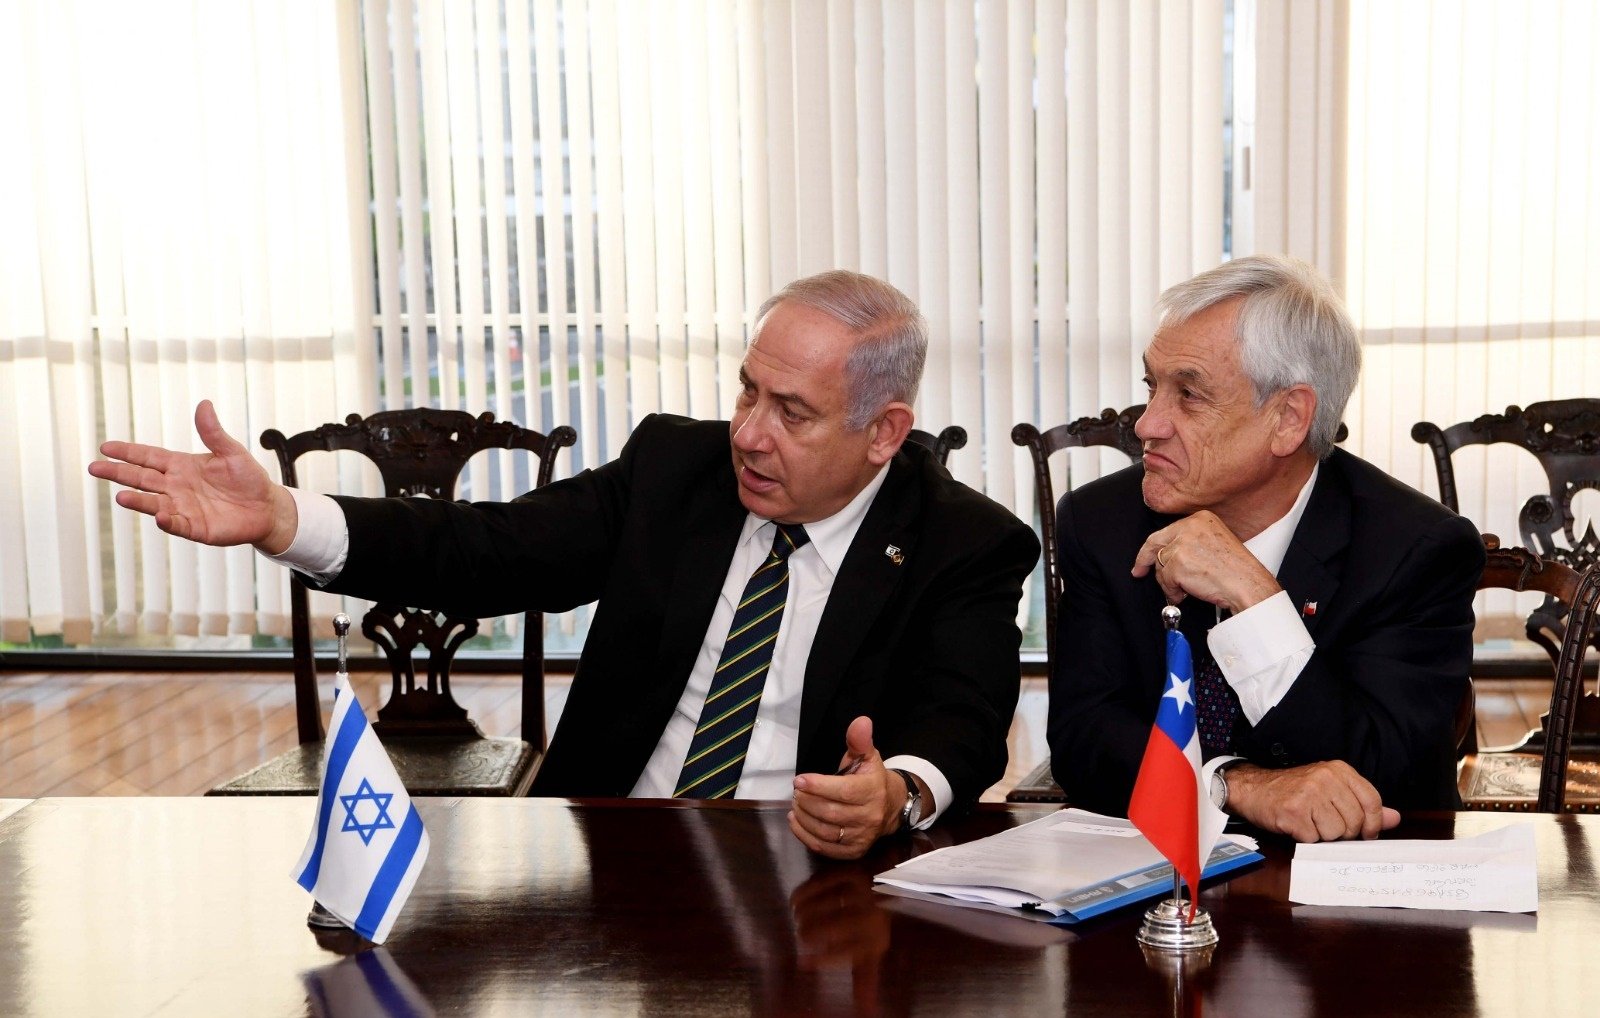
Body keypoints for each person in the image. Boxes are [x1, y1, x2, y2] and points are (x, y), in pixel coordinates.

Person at [90, 270, 1040, 860]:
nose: (747, 434)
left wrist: (896, 793)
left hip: (810, 881)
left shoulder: (966, 541)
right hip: (611, 853)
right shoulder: (679, 469)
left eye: (791, 413)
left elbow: (961, 720)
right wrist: (284, 517)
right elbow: (486, 552)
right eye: (747, 390)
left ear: (884, 433)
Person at [1048, 255, 1483, 843]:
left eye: (1190, 396)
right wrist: (1236, 786)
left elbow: (1380, 780)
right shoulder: (1102, 523)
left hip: (1359, 904)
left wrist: (1255, 597)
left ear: (1287, 419)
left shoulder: (1414, 549)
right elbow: (1083, 740)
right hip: (1157, 888)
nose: (1147, 424)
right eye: (1153, 388)